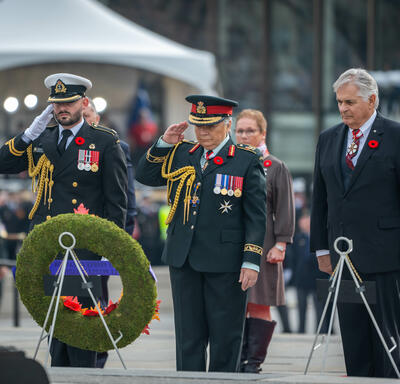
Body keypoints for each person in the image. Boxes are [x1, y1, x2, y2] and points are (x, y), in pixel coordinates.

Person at [0, 73, 128, 368]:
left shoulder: (103, 141)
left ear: (84, 103)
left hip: (83, 246)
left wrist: (111, 247)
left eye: (69, 103)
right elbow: (3, 163)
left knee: (81, 324)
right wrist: (25, 137)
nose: (62, 109)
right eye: (57, 104)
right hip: (48, 244)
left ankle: (80, 376)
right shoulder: (42, 138)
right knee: (55, 323)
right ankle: (60, 374)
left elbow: (116, 200)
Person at [135, 95, 266, 372]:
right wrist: (163, 144)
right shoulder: (184, 153)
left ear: (227, 124)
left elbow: (256, 216)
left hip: (225, 260)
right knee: (188, 337)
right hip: (184, 257)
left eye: (210, 126)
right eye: (198, 125)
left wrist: (251, 259)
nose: (202, 132)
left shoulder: (244, 160)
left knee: (225, 337)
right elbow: (145, 176)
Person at [310, 68, 400, 378]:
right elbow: (320, 197)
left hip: (386, 256)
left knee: (387, 339)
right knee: (353, 338)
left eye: (350, 102)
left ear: (372, 99)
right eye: (339, 102)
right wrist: (321, 248)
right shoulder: (329, 138)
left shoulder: (396, 136)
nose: (343, 109)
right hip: (342, 258)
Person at [235, 109, 295, 373]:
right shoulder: (230, 163)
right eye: (240, 130)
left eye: (250, 130)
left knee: (258, 304)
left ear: (262, 133)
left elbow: (284, 208)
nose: (244, 135)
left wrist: (281, 243)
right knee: (235, 306)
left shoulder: (275, 167)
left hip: (264, 246)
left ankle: (253, 362)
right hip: (233, 247)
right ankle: (236, 359)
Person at [83, 97, 137, 368]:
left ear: (97, 117)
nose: (86, 119)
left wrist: (119, 239)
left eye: (89, 114)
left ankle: (97, 355)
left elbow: (125, 196)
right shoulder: (60, 144)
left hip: (100, 238)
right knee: (65, 296)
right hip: (68, 237)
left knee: (95, 296)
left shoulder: (114, 145)